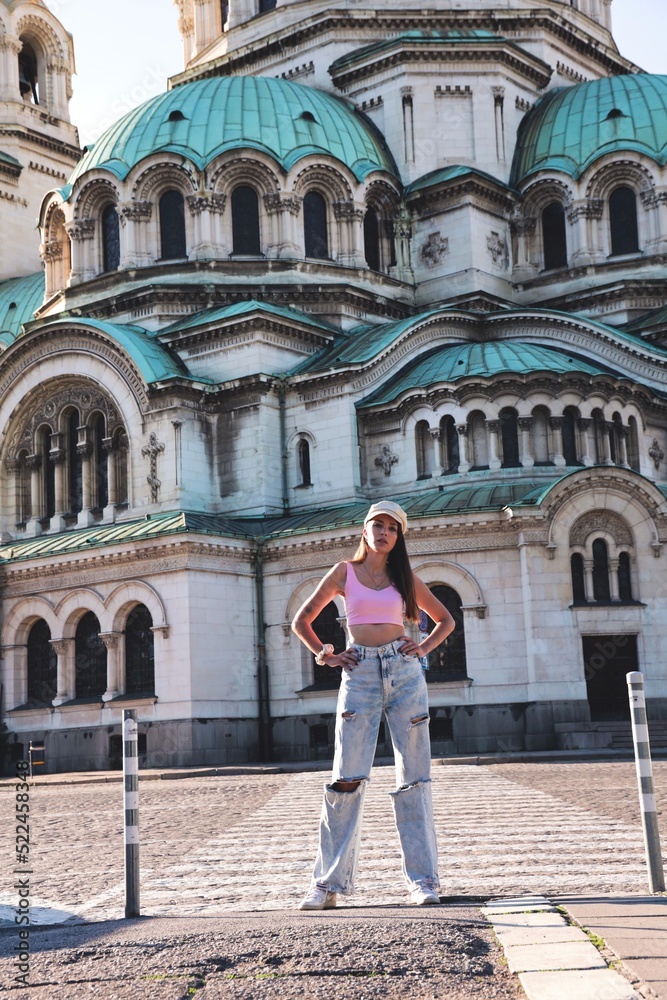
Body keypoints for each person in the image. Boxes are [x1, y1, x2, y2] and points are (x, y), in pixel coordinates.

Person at [291, 500, 456, 910]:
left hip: (404, 674)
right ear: (364, 529)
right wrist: (325, 654)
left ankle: (423, 881)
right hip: (360, 672)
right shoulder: (344, 572)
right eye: (376, 524)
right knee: (345, 777)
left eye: (391, 528)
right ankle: (327, 885)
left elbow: (445, 620)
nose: (383, 532)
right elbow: (302, 620)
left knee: (414, 780)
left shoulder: (406, 577)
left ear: (398, 536)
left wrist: (422, 650)